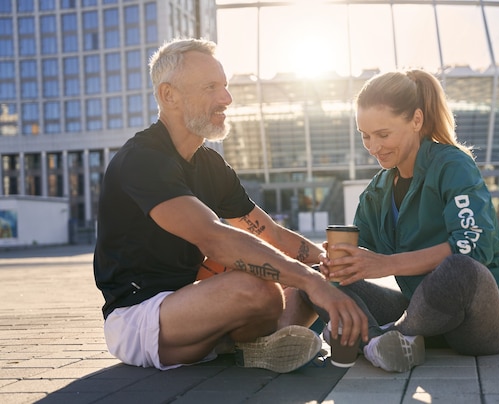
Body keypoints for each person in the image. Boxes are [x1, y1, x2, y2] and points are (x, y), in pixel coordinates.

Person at [93, 37, 368, 373]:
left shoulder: (209, 164)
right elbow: (214, 239)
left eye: (224, 86)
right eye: (211, 87)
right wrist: (312, 284)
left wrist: (328, 267)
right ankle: (251, 344)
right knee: (261, 289)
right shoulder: (142, 160)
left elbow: (272, 236)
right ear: (169, 95)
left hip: (193, 304)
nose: (227, 98)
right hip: (137, 317)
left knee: (306, 277)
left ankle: (253, 350)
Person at [311, 69, 499, 372]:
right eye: (365, 136)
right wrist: (338, 265)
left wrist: (387, 264)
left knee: (458, 268)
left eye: (383, 135)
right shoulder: (378, 190)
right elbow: (359, 257)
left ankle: (381, 338)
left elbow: (472, 248)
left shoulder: (453, 165)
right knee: (315, 276)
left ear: (416, 121)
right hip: (421, 314)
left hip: (479, 322)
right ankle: (379, 342)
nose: (373, 147)